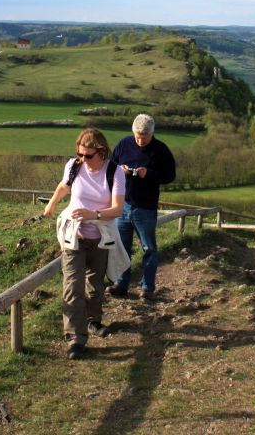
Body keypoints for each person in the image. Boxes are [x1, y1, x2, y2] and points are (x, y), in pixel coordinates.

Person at [43, 128, 129, 360]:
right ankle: (75, 338)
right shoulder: (74, 166)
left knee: (94, 284)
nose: (83, 160)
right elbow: (64, 186)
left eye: (88, 156)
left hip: (100, 237)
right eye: (80, 154)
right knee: (72, 287)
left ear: (101, 152)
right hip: (74, 236)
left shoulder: (115, 172)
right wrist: (52, 204)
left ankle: (93, 321)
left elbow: (118, 209)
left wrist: (93, 215)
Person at [108, 114, 176, 300]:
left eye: (143, 138)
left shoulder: (161, 150)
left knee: (149, 249)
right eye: (137, 137)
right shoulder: (124, 144)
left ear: (151, 134)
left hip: (145, 207)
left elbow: (170, 175)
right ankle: (121, 284)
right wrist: (119, 170)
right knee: (122, 247)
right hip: (122, 205)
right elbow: (110, 167)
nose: (139, 141)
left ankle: (147, 288)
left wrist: (149, 174)